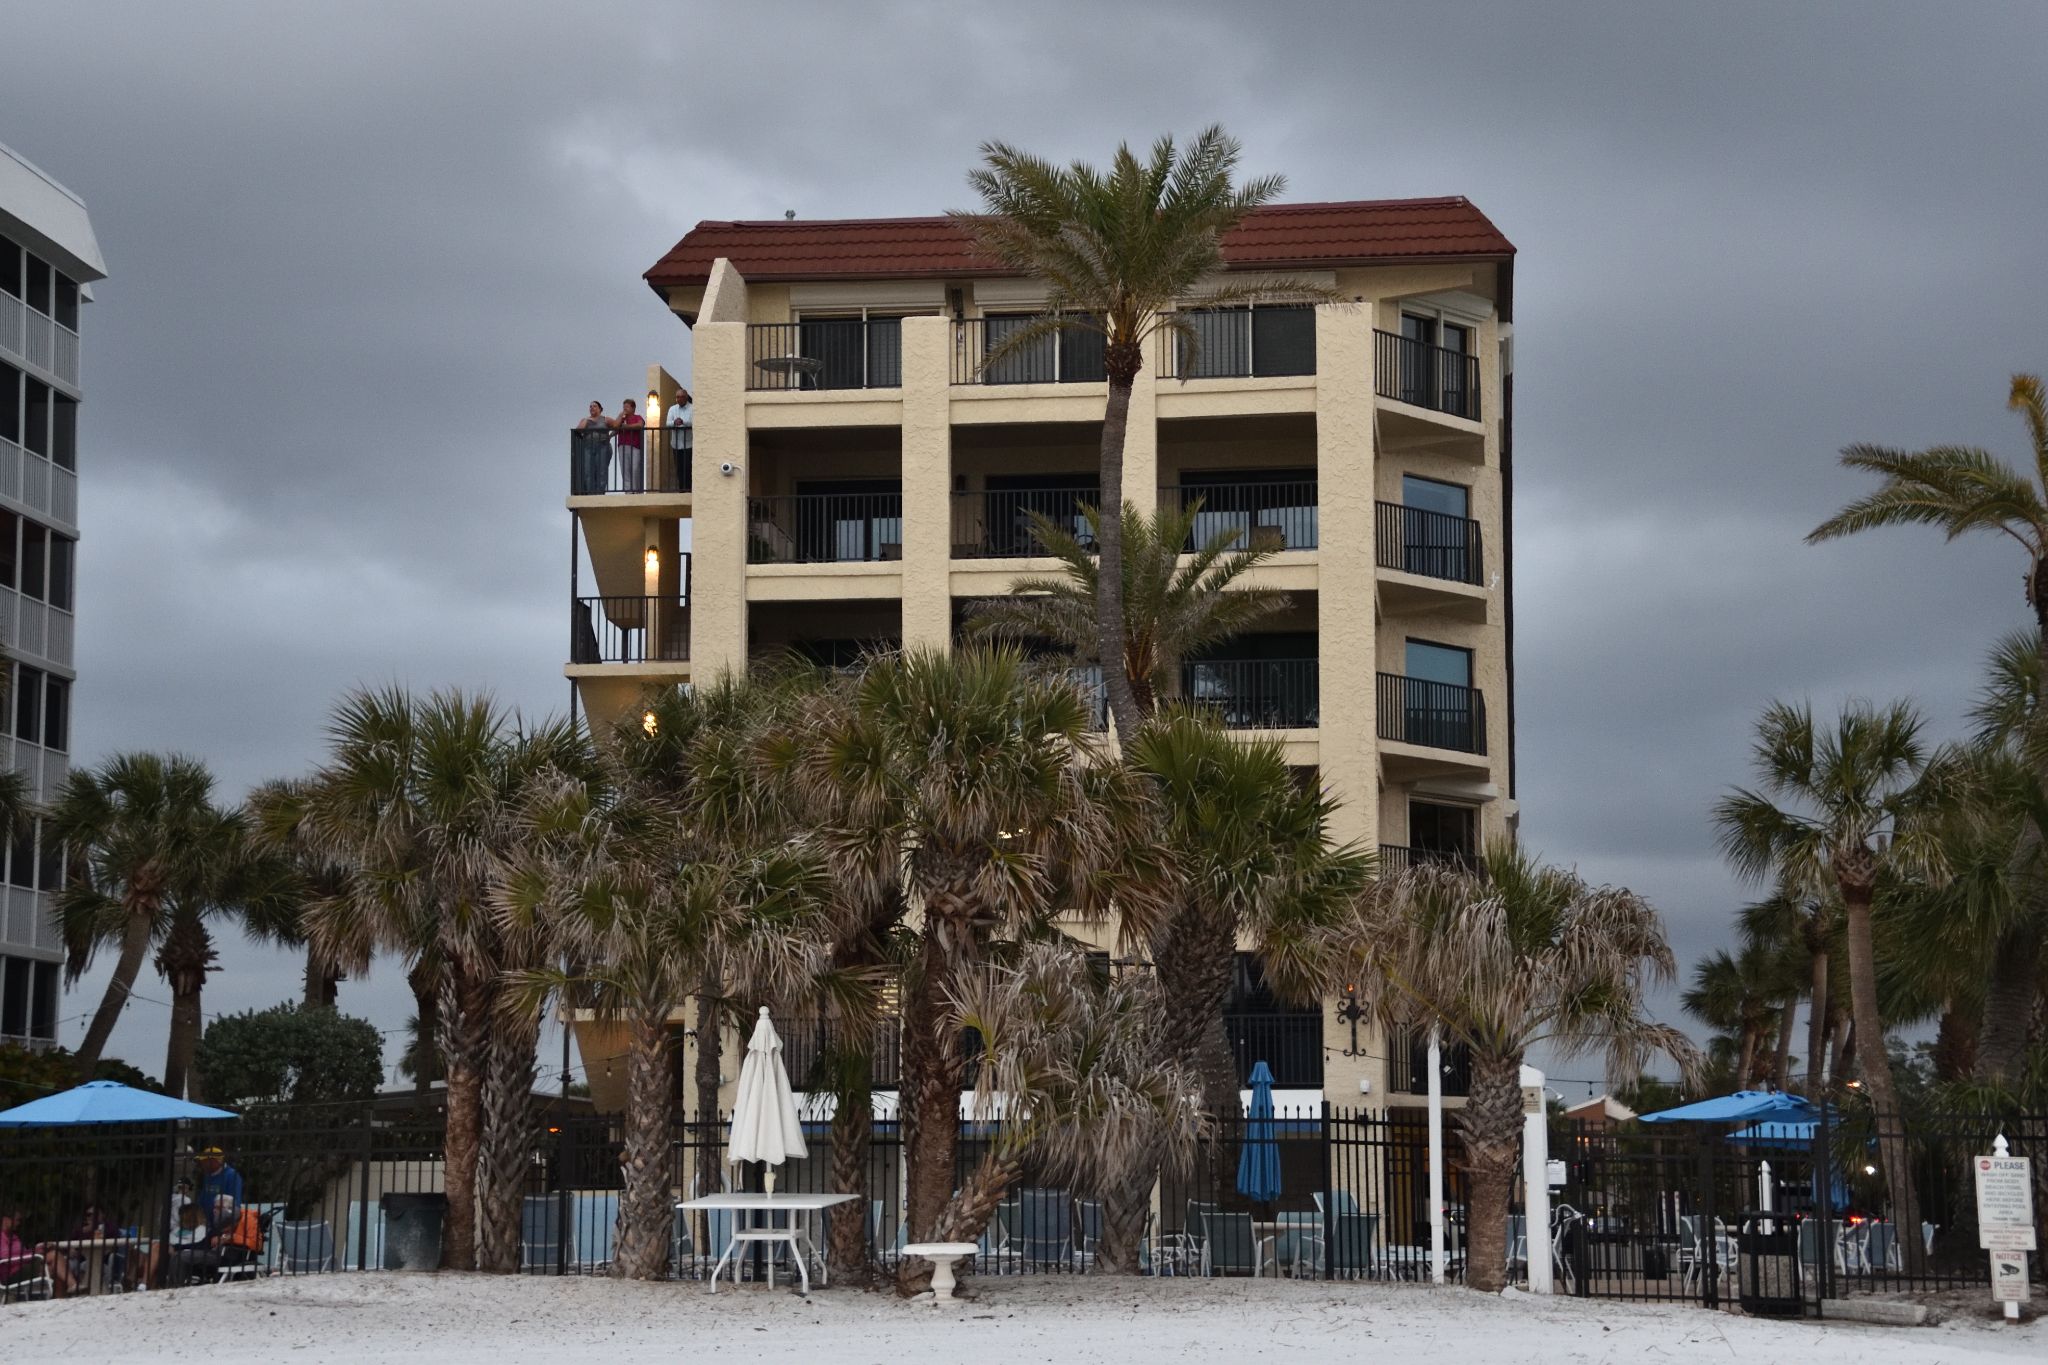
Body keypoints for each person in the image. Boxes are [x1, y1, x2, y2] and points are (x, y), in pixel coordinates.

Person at [1, 1210, 48, 1299]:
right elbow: (6, 1257)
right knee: (52, 1260)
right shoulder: (2, 1237)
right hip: (12, 1275)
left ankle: (62, 1294)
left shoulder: (14, 1237)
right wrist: (33, 1255)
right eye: (17, 1220)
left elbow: (24, 1253)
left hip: (23, 1269)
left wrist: (37, 1250)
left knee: (51, 1260)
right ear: (5, 1220)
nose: (18, 1223)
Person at [574, 400, 612, 494]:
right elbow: (579, 430)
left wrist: (610, 436)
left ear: (600, 409)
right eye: (590, 406)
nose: (592, 408)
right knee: (588, 470)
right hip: (588, 447)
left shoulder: (605, 419)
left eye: (594, 406)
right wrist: (587, 420)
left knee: (601, 470)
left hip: (603, 447)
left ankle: (600, 491)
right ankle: (591, 492)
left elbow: (617, 425)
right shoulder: (585, 420)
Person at [610, 397, 646, 492]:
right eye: (624, 407)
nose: (625, 409)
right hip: (622, 446)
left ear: (633, 408)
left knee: (635, 469)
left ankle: (636, 490)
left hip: (635, 447)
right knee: (625, 470)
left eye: (627, 407)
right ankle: (628, 491)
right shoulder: (621, 419)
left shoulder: (637, 417)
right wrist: (620, 416)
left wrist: (627, 427)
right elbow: (615, 427)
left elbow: (640, 425)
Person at [197, 1146, 243, 1215]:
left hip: (223, 1220)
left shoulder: (232, 1175)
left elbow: (235, 1202)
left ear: (215, 1161)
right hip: (206, 1220)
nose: (202, 1164)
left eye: (204, 1161)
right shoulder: (208, 1175)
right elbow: (203, 1196)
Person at [663, 386, 692, 490]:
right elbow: (668, 423)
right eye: (677, 397)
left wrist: (683, 421)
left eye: (681, 397)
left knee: (687, 468)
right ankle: (682, 490)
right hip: (675, 444)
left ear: (686, 397)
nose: (679, 399)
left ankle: (688, 489)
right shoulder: (672, 409)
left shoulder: (692, 408)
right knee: (679, 469)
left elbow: (694, 422)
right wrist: (674, 422)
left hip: (689, 444)